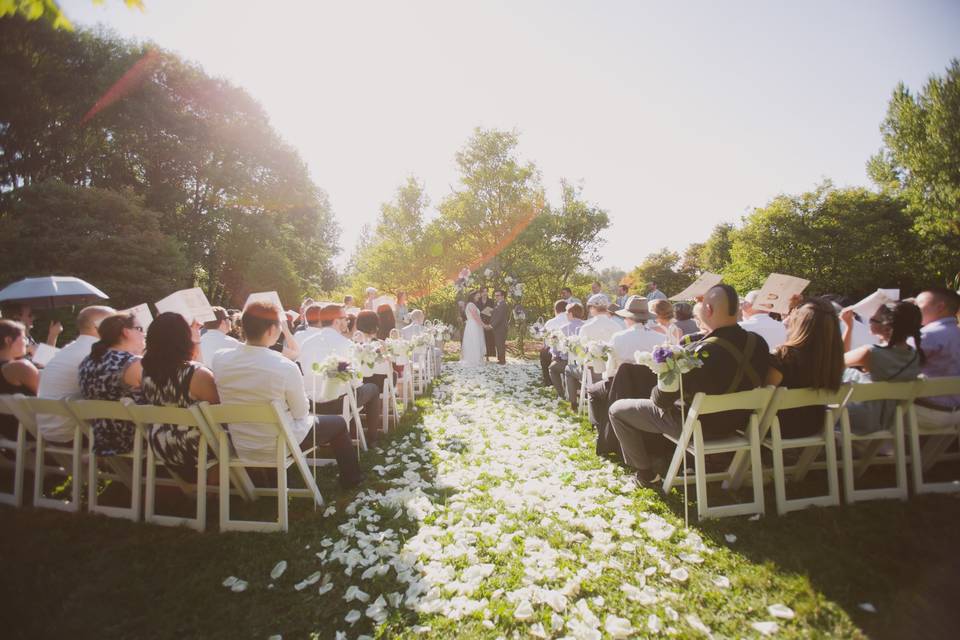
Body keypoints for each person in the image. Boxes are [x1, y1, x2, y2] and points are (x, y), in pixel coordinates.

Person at [609, 284, 770, 485]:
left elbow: (661, 400)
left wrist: (659, 379)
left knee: (617, 410)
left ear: (708, 310)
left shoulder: (699, 353)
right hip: (741, 424)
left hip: (697, 427)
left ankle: (645, 474)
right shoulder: (759, 343)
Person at [211, 302, 362, 487]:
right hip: (280, 443)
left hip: (242, 445)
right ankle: (352, 479)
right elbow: (301, 413)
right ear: (272, 329)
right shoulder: (283, 366)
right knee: (338, 423)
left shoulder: (220, 359)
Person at [141, 312, 220, 473]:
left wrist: (196, 340)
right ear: (184, 339)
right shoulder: (198, 375)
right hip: (196, 448)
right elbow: (219, 414)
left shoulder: (146, 372)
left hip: (160, 445)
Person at [297, 304, 381, 443]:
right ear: (336, 321)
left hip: (311, 402)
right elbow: (356, 381)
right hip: (338, 403)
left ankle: (352, 430)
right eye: (345, 318)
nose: (348, 322)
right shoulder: (346, 344)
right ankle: (372, 439)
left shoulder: (306, 343)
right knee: (372, 388)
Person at [765, 299, 844, 438]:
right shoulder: (833, 358)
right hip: (814, 425)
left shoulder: (784, 356)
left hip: (779, 427)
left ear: (799, 324)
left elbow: (764, 394)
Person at [841, 301, 923, 434]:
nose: (869, 322)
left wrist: (848, 327)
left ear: (886, 328)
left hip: (861, 419)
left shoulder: (870, 353)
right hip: (891, 419)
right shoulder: (915, 355)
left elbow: (839, 361)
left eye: (873, 319)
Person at [36, 305, 114, 443]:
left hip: (48, 429)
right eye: (115, 323)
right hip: (74, 432)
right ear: (99, 326)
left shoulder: (69, 349)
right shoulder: (95, 352)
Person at [78, 312, 145, 456]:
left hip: (101, 438)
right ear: (126, 332)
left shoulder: (87, 362)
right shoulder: (132, 364)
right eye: (140, 329)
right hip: (134, 437)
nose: (144, 334)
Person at [913, 288, 960, 422]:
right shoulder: (956, 332)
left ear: (940, 307)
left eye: (917, 306)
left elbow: (893, 362)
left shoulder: (927, 335)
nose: (914, 310)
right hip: (957, 412)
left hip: (927, 412)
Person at [0, 319, 40, 440]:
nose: (27, 343)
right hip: (25, 430)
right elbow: (48, 394)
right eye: (24, 338)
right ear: (8, 340)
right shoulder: (19, 367)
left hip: (4, 430)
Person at [549, 303, 585, 401]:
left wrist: (555, 355)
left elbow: (555, 347)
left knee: (552, 368)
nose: (566, 314)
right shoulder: (586, 325)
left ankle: (561, 394)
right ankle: (576, 390)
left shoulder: (563, 328)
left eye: (567, 312)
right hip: (584, 362)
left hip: (568, 362)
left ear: (570, 313)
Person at [539, 300, 568, 386]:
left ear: (555, 310)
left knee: (543, 351)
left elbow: (545, 339)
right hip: (571, 351)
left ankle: (548, 380)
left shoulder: (551, 322)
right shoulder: (572, 320)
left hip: (554, 353)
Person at [460, 290, 487, 367]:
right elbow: (476, 317)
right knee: (474, 341)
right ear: (473, 296)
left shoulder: (470, 304)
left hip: (473, 325)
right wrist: (483, 325)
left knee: (474, 341)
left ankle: (475, 359)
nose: (479, 297)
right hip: (473, 325)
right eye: (477, 296)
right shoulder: (471, 304)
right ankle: (475, 360)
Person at [489, 289, 509, 365]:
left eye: (498, 295)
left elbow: (499, 317)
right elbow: (496, 315)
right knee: (498, 343)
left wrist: (491, 325)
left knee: (500, 344)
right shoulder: (498, 304)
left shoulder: (503, 304)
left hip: (501, 328)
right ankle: (500, 359)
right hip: (497, 328)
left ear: (502, 296)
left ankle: (502, 360)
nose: (496, 297)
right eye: (495, 295)